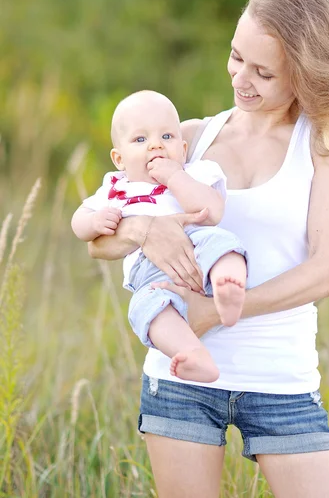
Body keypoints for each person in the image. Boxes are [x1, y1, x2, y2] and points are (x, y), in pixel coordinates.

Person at [87, 0, 329, 498]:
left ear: (306, 73)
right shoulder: (188, 138)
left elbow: (326, 273)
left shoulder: (325, 148)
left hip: (280, 382)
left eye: (264, 72)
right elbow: (100, 237)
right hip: (179, 380)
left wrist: (213, 312)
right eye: (236, 58)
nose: (241, 78)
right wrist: (147, 231)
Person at [71, 90, 247, 383]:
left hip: (199, 243)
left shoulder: (195, 172)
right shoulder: (116, 188)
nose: (156, 145)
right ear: (119, 158)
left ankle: (228, 289)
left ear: (183, 147)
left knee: (226, 247)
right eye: (140, 140)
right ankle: (193, 354)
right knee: (147, 309)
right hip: (151, 272)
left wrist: (175, 177)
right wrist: (94, 220)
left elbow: (212, 211)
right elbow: (78, 222)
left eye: (167, 137)